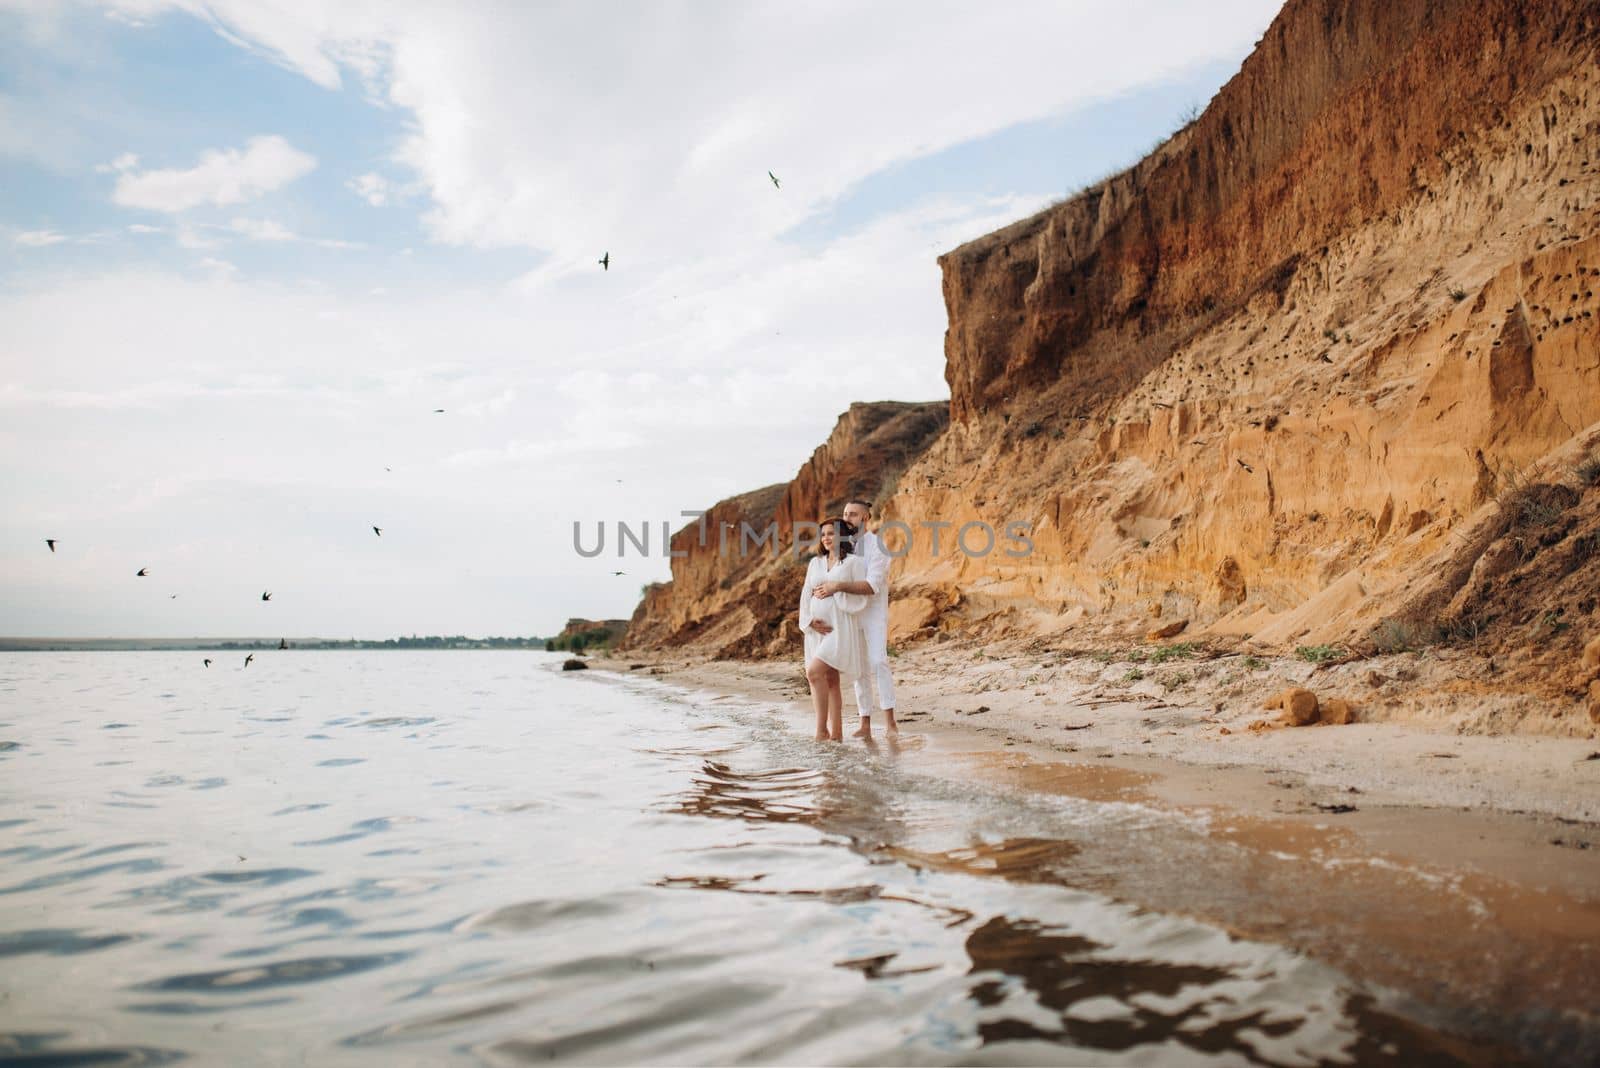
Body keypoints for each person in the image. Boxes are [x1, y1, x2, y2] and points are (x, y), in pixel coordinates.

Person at [813, 497, 897, 738]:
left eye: (852, 514)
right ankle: (865, 723)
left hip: (873, 613)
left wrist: (838, 585)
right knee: (858, 668)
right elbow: (823, 576)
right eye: (845, 513)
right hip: (849, 614)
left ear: (865, 518)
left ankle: (890, 722)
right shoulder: (843, 546)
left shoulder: (877, 546)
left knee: (878, 661)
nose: (847, 518)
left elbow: (872, 586)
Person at [799, 517, 871, 742]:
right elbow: (806, 594)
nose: (826, 538)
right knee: (830, 680)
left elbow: (863, 592)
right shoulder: (815, 563)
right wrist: (808, 620)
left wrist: (835, 589)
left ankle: (821, 731)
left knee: (813, 673)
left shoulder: (853, 563)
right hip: (816, 631)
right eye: (823, 535)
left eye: (831, 533)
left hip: (839, 627)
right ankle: (837, 734)